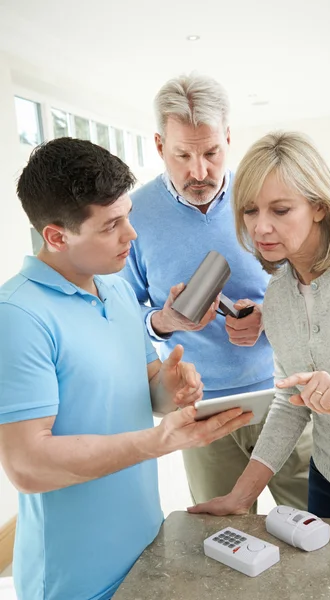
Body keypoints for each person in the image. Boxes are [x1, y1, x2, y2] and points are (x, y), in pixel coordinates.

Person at [0, 138, 253, 600]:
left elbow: (146, 388)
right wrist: (159, 442)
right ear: (57, 236)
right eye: (111, 225)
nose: (131, 235)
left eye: (128, 216)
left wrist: (168, 387)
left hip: (143, 549)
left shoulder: (114, 290)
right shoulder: (16, 316)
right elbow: (28, 466)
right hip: (71, 578)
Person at [121, 74, 312, 512]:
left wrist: (268, 313)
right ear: (157, 145)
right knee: (222, 533)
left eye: (211, 153)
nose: (199, 171)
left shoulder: (265, 195)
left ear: (228, 138)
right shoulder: (132, 217)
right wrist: (163, 321)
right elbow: (120, 309)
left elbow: (309, 277)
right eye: (182, 155)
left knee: (307, 520)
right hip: (201, 408)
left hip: (285, 394)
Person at [188, 131, 330, 523]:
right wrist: (240, 495)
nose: (261, 228)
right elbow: (290, 402)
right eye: (250, 211)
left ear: (318, 207)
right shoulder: (278, 295)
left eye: (280, 210)